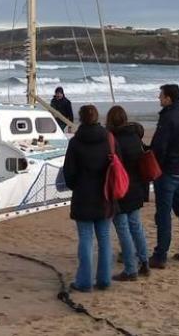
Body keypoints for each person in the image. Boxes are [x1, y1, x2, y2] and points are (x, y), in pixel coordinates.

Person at [63, 104, 113, 292]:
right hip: (104, 194)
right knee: (104, 238)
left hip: (84, 194)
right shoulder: (108, 139)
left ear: (81, 118)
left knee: (86, 238)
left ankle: (84, 281)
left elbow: (69, 173)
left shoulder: (75, 142)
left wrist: (76, 185)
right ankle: (104, 279)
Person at [149, 83, 179, 269]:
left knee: (163, 214)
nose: (159, 98)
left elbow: (159, 147)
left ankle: (160, 255)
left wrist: (154, 166)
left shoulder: (168, 119)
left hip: (168, 171)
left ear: (169, 98)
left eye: (161, 96)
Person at [105, 105, 149, 280]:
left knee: (123, 228)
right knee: (136, 225)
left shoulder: (114, 140)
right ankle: (144, 261)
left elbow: (112, 165)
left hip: (122, 188)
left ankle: (131, 269)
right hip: (137, 187)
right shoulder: (135, 137)